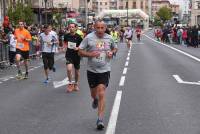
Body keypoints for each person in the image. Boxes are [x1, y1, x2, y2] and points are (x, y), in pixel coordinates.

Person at [78, 19, 117, 130]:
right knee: (94, 94)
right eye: (98, 27)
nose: (100, 30)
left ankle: (100, 119)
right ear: (94, 28)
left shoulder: (109, 38)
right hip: (92, 71)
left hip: (105, 70)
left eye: (102, 28)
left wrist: (112, 52)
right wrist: (90, 54)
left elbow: (115, 47)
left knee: (101, 93)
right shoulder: (88, 38)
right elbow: (80, 51)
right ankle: (94, 99)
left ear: (105, 28)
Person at [63, 23, 83, 92]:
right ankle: (70, 83)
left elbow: (82, 46)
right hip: (69, 55)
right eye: (70, 27)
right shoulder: (66, 36)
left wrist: (77, 48)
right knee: (69, 69)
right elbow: (65, 42)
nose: (71, 28)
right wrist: (64, 47)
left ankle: (76, 84)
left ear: (75, 28)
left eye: (72, 27)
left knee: (77, 72)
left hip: (77, 56)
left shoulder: (79, 37)